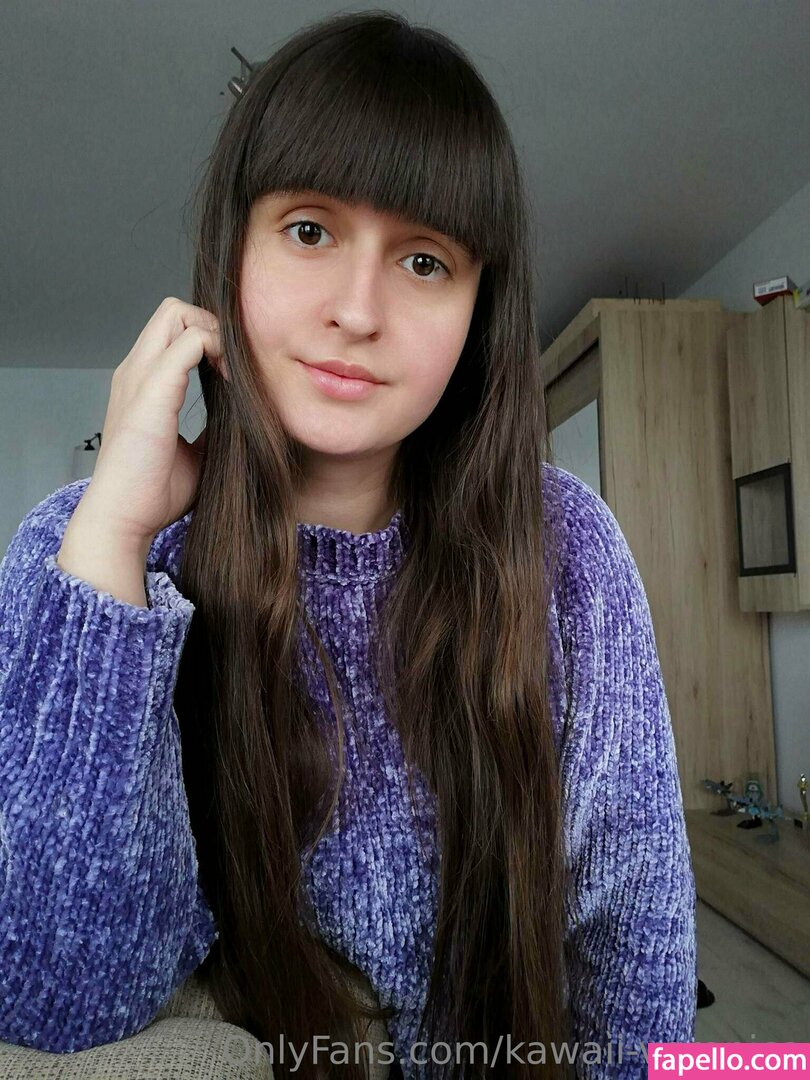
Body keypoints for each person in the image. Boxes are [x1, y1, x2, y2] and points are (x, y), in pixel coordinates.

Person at [0, 10, 697, 1079]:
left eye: (423, 260)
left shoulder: (567, 550)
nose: (358, 312)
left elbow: (634, 960)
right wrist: (113, 542)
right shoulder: (83, 550)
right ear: (232, 247)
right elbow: (52, 999)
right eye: (309, 232)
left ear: (478, 308)